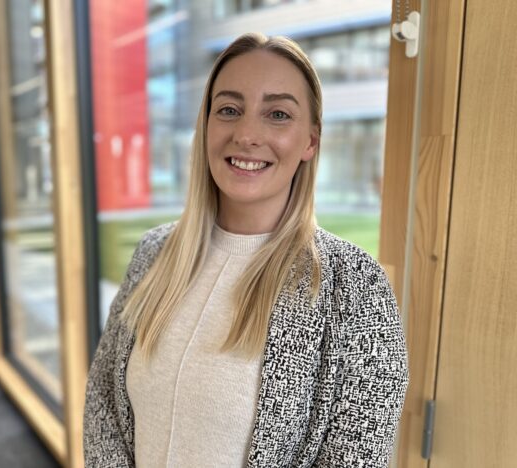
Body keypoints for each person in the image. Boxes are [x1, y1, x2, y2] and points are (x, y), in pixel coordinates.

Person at [84, 32, 408, 468]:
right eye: (229, 110)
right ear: (206, 126)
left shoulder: (353, 288)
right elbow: (103, 409)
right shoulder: (153, 254)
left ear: (310, 141)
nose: (247, 134)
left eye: (277, 114)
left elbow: (356, 456)